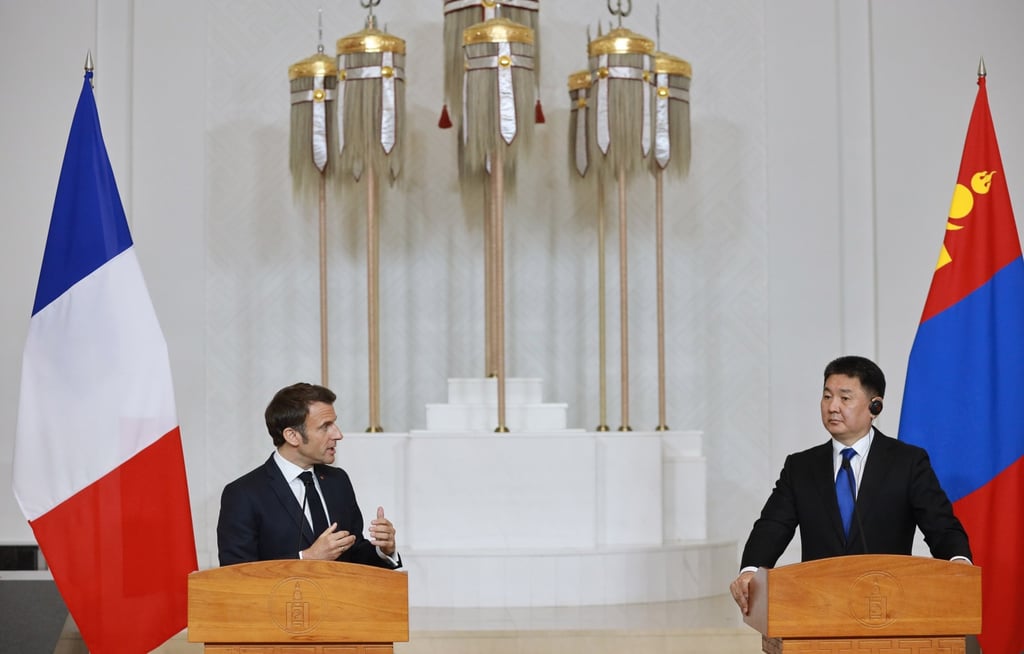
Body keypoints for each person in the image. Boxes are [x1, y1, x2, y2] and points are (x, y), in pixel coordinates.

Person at [729, 355, 970, 615]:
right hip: (818, 607)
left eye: (845, 398)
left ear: (874, 406)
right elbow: (772, 526)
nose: (833, 407)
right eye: (827, 396)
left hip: (887, 606)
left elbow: (941, 526)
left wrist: (958, 561)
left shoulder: (907, 463)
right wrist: (751, 570)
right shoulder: (800, 467)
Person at [217, 382, 401, 568]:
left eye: (334, 423)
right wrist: (306, 558)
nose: (338, 434)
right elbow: (237, 573)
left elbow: (352, 555)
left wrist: (384, 550)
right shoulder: (243, 494)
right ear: (292, 436)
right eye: (325, 426)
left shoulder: (338, 481)